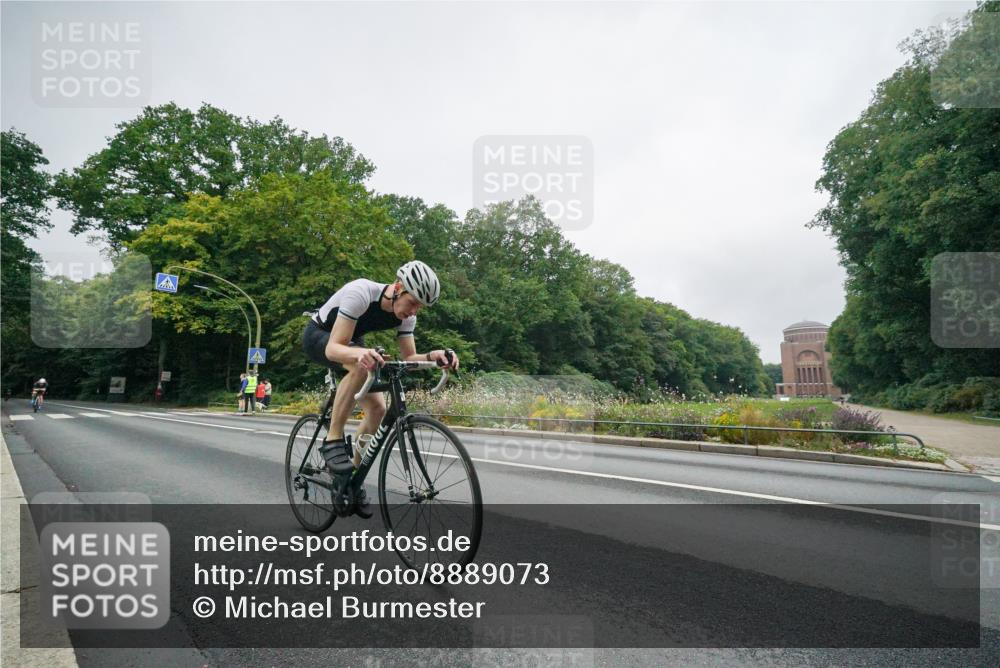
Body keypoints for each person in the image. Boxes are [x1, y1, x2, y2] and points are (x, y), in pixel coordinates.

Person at [301, 261, 459, 517]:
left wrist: (435, 356)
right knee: (361, 367)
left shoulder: (406, 316)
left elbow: (409, 358)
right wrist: (362, 353)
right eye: (413, 302)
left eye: (421, 306)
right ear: (398, 288)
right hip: (321, 336)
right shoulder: (361, 292)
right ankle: (333, 439)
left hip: (351, 342)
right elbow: (333, 348)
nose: (415, 310)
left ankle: (349, 478)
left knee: (377, 408)